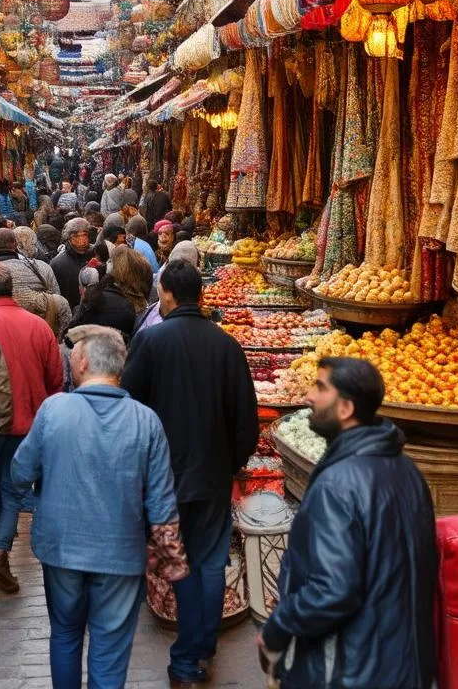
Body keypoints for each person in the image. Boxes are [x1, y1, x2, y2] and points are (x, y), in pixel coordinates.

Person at [12, 327, 188, 689]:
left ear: (83, 364)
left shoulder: (54, 410)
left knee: (65, 633)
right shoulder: (145, 420)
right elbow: (161, 499)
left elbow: (20, 471)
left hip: (61, 547)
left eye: (74, 354)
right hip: (120, 551)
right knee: (109, 646)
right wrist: (170, 555)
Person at [260, 357, 437, 688]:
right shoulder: (408, 472)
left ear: (345, 408)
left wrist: (278, 627)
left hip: (352, 668)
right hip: (404, 663)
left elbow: (333, 591)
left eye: (320, 388)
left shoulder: (338, 483)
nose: (309, 396)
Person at [122, 261, 258, 686]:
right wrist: (231, 463)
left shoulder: (150, 342)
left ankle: (187, 657)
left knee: (180, 563)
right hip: (214, 476)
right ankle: (202, 646)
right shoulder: (226, 346)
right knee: (211, 562)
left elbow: (129, 409)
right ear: (199, 295)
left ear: (166, 294)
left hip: (166, 477)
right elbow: (246, 420)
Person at [0, 264, 63, 594]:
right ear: (12, 290)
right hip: (27, 426)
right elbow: (55, 381)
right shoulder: (38, 327)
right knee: (11, 493)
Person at [51, 218, 93, 308]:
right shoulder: (58, 264)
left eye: (85, 235)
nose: (82, 241)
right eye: (76, 236)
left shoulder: (97, 254)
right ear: (69, 238)